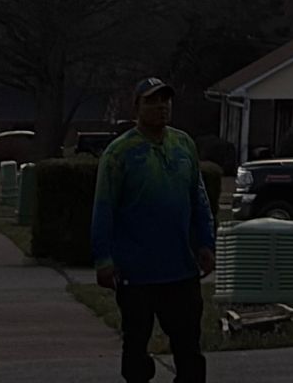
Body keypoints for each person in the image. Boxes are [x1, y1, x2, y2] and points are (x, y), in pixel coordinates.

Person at [91, 77, 214, 383]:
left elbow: (199, 199)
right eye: (152, 101)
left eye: (165, 100)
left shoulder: (183, 145)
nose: (161, 107)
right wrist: (103, 259)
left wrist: (206, 244)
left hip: (181, 270)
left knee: (188, 349)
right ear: (137, 107)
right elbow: (104, 208)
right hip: (136, 272)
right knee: (136, 347)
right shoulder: (119, 153)